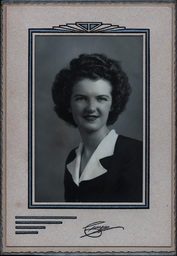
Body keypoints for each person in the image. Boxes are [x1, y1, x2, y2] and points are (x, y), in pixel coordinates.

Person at [52, 53, 143, 203]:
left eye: (101, 99)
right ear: (68, 104)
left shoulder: (135, 153)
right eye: (81, 98)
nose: (91, 108)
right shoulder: (72, 158)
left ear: (113, 104)